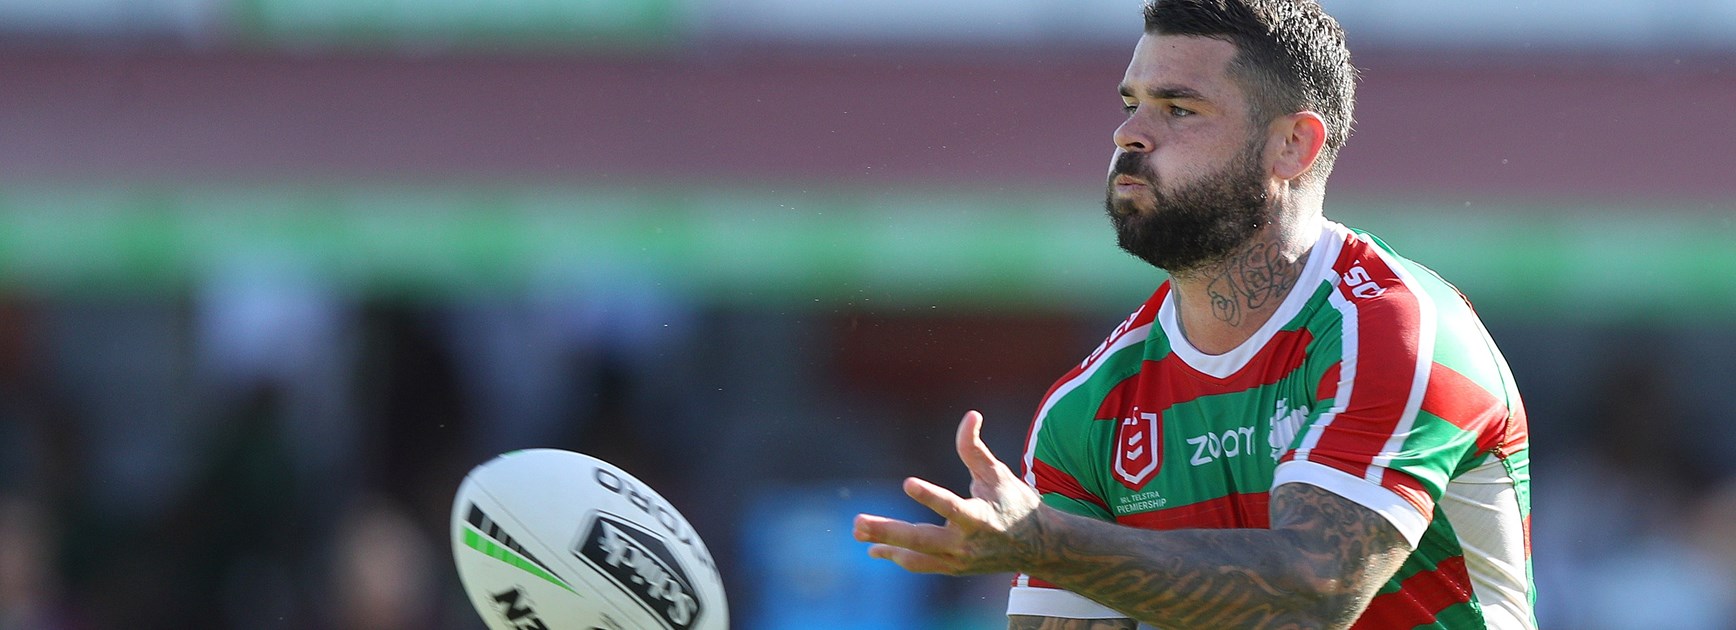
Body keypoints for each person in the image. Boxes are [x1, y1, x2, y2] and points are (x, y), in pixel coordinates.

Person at [852, 1, 1535, 628]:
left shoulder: (1392, 331)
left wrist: (1048, 542)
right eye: (1132, 103)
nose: (1129, 133)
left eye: (1178, 109)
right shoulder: (1086, 410)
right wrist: (1048, 546)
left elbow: (1316, 593)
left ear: (1292, 146)